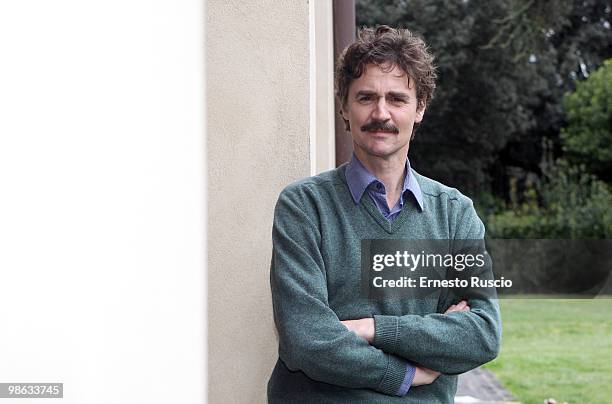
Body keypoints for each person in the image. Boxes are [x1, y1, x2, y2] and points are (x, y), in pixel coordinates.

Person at [267, 25, 501, 403]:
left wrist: (372, 329)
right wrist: (405, 373)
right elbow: (306, 340)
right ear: (344, 106)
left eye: (396, 98)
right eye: (365, 97)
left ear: (419, 108)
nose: (381, 113)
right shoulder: (303, 207)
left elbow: (482, 334)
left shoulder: (455, 214)